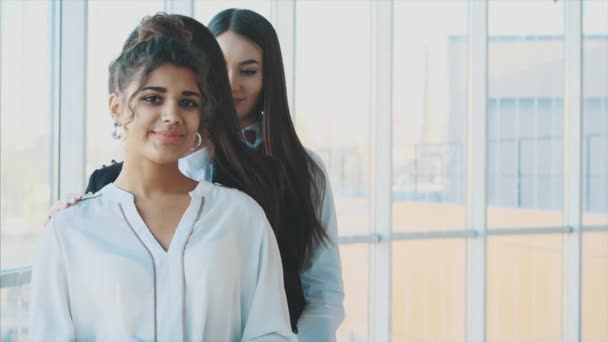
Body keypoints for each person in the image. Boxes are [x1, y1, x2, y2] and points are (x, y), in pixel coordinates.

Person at [29, 14, 295, 341]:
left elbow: (271, 332)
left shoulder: (241, 217)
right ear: (116, 108)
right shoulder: (69, 230)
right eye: (152, 98)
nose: (172, 115)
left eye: (188, 102)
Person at [206, 9, 344, 341]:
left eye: (248, 71)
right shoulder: (185, 163)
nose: (232, 84)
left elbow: (323, 290)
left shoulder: (304, 169)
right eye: (219, 68)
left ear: (269, 77)